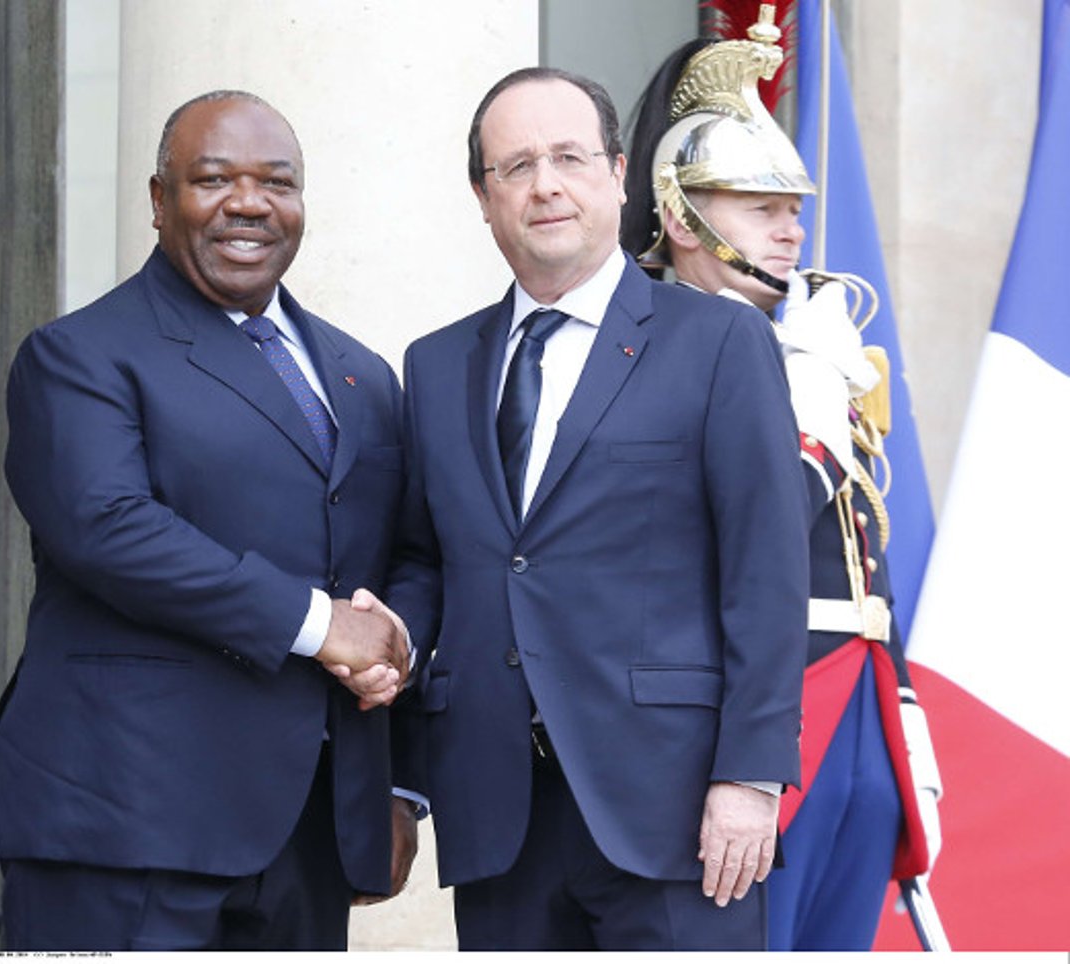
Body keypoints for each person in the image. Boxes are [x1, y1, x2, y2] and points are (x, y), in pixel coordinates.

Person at [0, 90, 420, 951]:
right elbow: (110, 529)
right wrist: (319, 626)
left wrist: (397, 647)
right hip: (126, 825)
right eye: (212, 179)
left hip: (309, 830)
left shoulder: (361, 374)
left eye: (277, 181)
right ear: (159, 201)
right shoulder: (79, 355)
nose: (248, 202)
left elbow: (409, 552)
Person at [383, 66, 810, 951]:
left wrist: (750, 778)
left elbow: (765, 572)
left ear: (618, 176)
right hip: (498, 811)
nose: (545, 184)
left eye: (569, 158)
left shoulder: (717, 341)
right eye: (516, 166)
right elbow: (430, 561)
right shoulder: (432, 366)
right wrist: (385, 648)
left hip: (677, 814)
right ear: (482, 196)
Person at [621, 15, 944, 951]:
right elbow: (722, 543)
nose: (791, 227)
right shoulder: (649, 346)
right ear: (683, 216)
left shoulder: (811, 338)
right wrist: (799, 414)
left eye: (791, 205)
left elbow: (863, 553)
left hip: (860, 707)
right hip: (753, 726)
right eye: (757, 205)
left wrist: (903, 722)